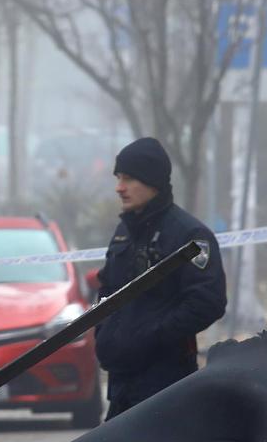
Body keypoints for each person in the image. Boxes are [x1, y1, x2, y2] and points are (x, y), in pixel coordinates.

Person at [95, 137, 227, 419]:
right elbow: (107, 290)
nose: (119, 187)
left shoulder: (189, 235)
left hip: (165, 385)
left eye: (128, 178)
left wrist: (149, 337)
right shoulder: (124, 232)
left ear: (152, 181)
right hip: (121, 384)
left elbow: (207, 302)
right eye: (118, 178)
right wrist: (105, 336)